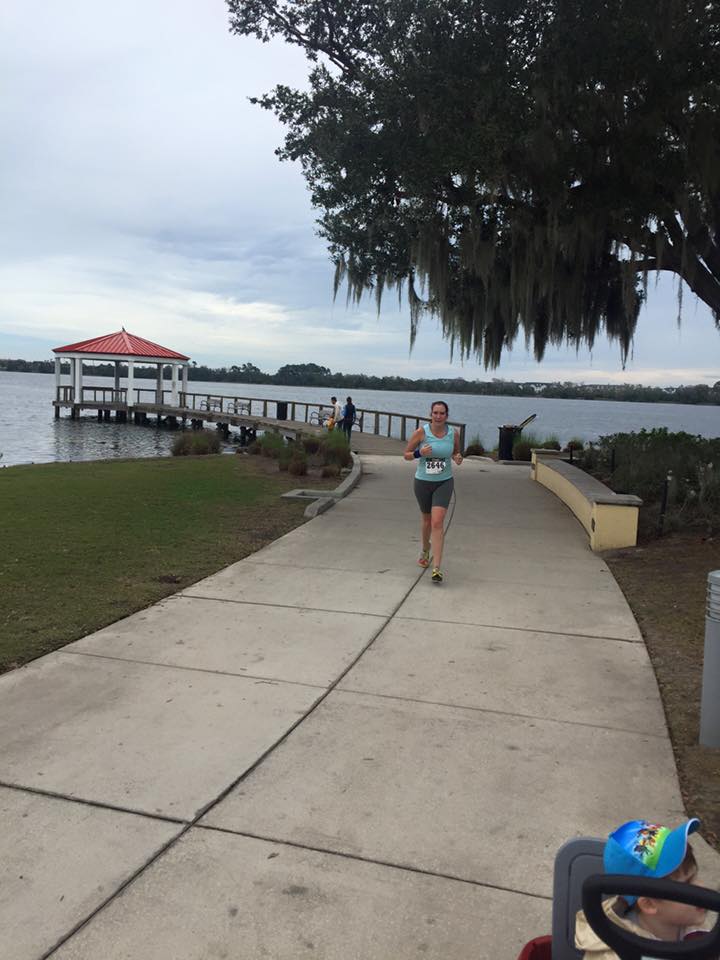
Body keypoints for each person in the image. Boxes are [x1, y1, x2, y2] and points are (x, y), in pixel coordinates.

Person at [575, 817, 709, 959]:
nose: (702, 887)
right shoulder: (615, 955)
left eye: (696, 876)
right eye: (687, 884)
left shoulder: (687, 922)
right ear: (649, 904)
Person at [403, 400, 462, 583]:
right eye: (435, 413)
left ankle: (436, 567)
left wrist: (457, 457)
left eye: (442, 413)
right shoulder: (421, 432)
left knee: (437, 522)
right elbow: (406, 455)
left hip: (444, 482)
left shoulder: (453, 433)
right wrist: (420, 453)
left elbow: (456, 452)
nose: (438, 416)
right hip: (423, 482)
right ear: (431, 414)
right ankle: (425, 549)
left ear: (446, 415)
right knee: (427, 521)